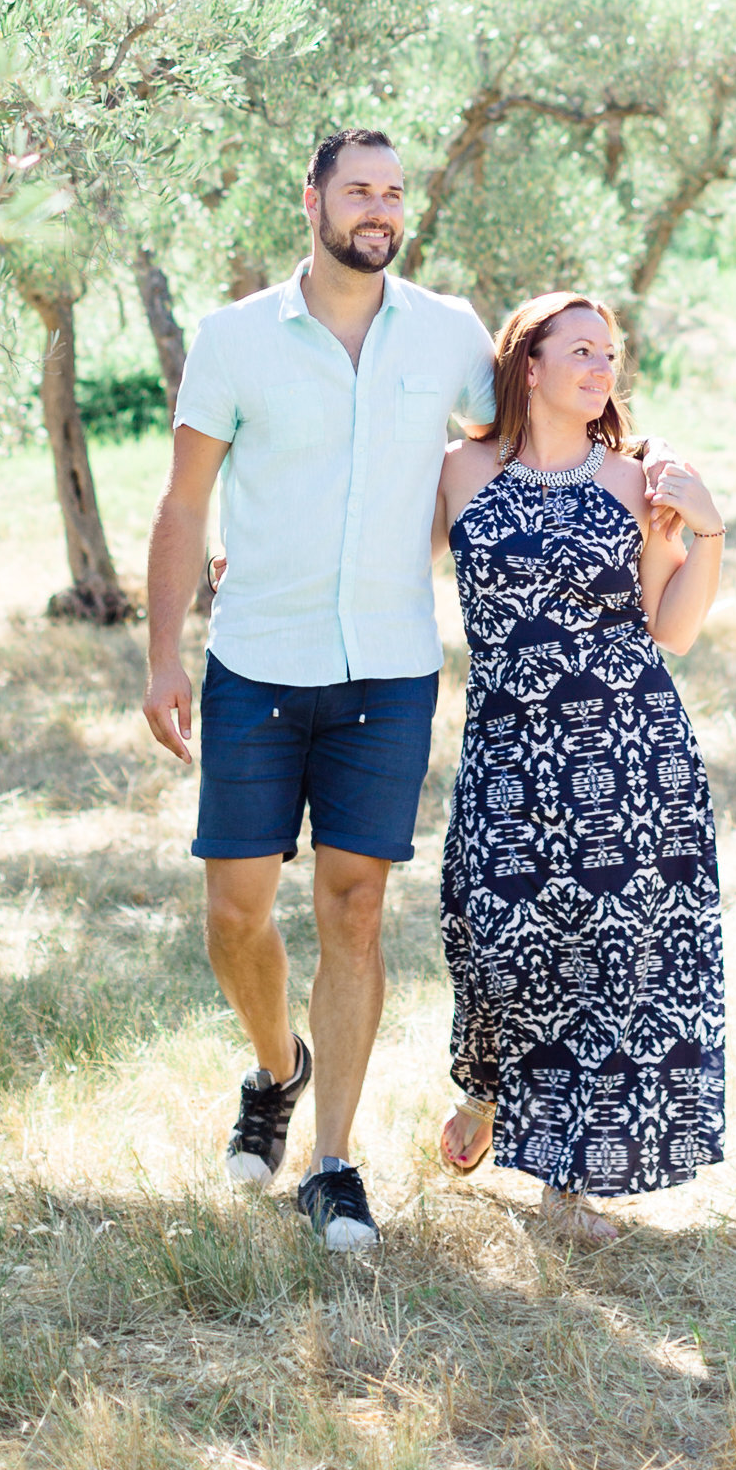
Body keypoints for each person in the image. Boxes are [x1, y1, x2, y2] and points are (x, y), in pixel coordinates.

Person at [141, 129, 495, 1256]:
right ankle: (275, 1065)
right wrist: (161, 657)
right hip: (255, 661)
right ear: (312, 200)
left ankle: (334, 1163)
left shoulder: (449, 334)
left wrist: (635, 468)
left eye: (393, 190)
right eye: (358, 189)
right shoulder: (235, 337)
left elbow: (511, 443)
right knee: (235, 917)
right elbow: (185, 504)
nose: (380, 208)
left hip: (388, 667)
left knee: (353, 909)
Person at [434, 292, 727, 1244]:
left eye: (611, 352)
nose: (603, 367)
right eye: (582, 350)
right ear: (530, 366)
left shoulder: (638, 477)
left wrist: (707, 535)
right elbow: (377, 559)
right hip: (508, 746)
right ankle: (487, 1086)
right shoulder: (460, 470)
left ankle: (564, 1184)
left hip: (624, 749)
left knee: (603, 960)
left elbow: (669, 629)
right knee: (495, 938)